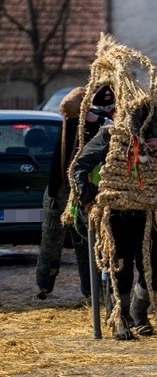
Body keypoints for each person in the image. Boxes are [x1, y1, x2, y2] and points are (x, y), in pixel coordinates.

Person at [72, 100, 157, 339]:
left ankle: (139, 312)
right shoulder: (111, 136)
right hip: (118, 214)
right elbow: (81, 163)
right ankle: (121, 316)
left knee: (154, 266)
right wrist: (88, 194)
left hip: (153, 215)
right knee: (120, 266)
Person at [35, 85, 114, 300]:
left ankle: (90, 290)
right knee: (54, 239)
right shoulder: (72, 125)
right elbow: (60, 164)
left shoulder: (100, 124)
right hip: (63, 192)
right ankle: (46, 285)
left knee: (83, 242)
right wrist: (55, 194)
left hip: (80, 191)